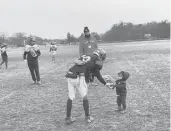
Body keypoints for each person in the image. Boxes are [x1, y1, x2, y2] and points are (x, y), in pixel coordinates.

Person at [64, 48, 112, 124]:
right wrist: (105, 83)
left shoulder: (86, 55)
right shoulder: (97, 60)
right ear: (101, 55)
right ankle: (87, 117)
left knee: (70, 97)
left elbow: (86, 68)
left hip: (70, 75)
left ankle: (68, 118)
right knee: (84, 96)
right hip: (80, 76)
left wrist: (100, 76)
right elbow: (96, 73)